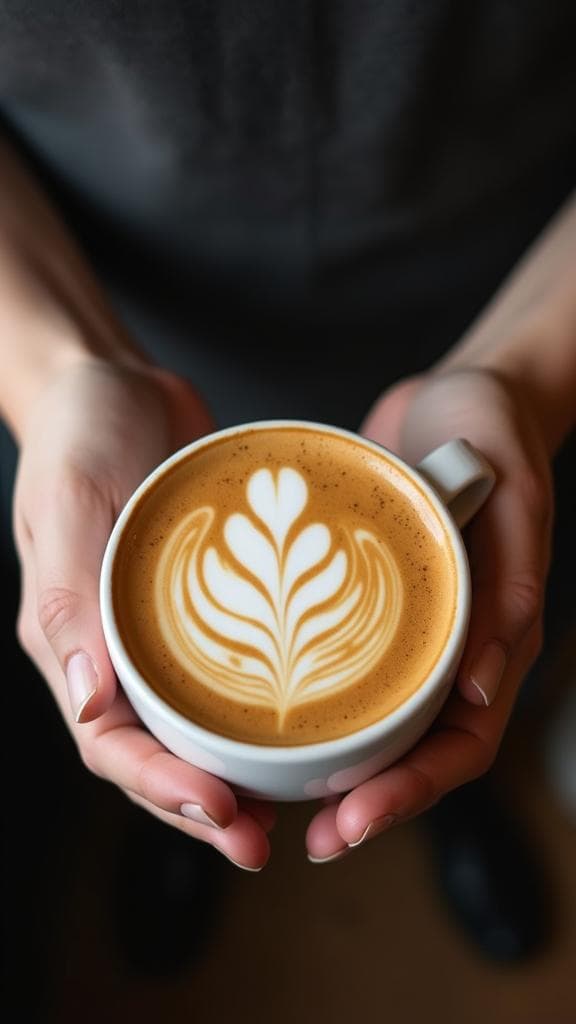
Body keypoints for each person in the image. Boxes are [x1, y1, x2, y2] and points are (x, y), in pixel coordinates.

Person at [1, 0, 575, 984]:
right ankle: (191, 819)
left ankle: (457, 800)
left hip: (505, 293)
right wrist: (54, 372)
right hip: (116, 323)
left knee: (480, 651)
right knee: (182, 751)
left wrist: (523, 375)